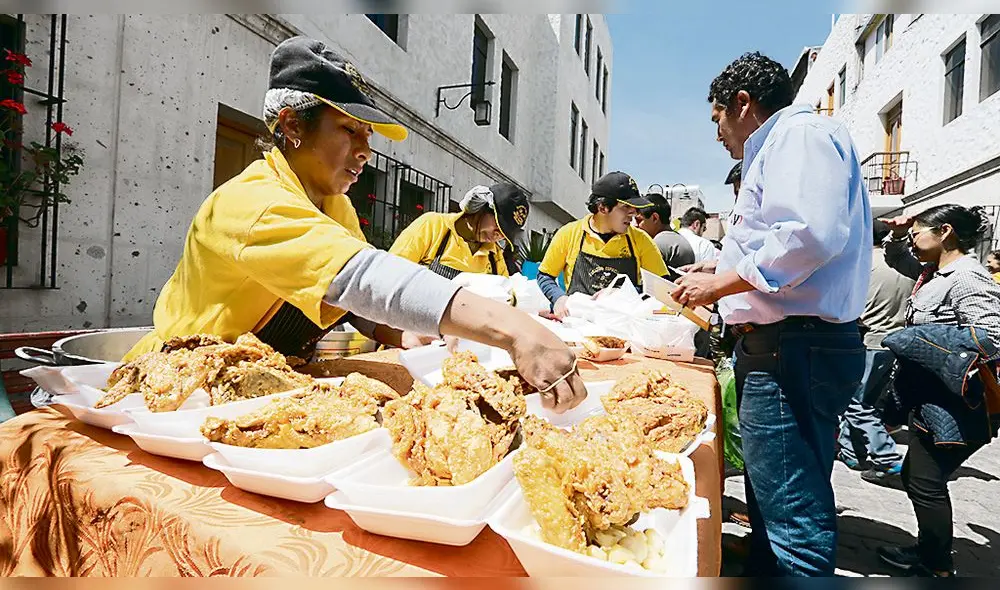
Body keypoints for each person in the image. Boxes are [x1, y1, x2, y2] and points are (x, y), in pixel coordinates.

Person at [123, 36, 586, 413]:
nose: (366, 150)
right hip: (179, 393)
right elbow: (363, 277)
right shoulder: (255, 204)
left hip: (260, 384)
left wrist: (400, 332)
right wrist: (517, 330)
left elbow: (351, 302)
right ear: (292, 125)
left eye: (368, 135)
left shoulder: (332, 203)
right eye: (349, 130)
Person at [672, 51, 871, 576]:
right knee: (780, 488)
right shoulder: (785, 146)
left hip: (791, 346)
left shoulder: (798, 137)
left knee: (793, 514)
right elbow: (774, 240)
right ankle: (766, 563)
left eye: (717, 118)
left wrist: (721, 284)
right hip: (789, 343)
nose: (717, 134)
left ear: (742, 104)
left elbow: (808, 236)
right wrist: (719, 269)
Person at [877, 204, 1000, 577]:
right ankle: (929, 551)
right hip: (927, 395)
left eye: (918, 233)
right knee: (918, 476)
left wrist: (920, 339)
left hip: (954, 400)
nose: (912, 240)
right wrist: (900, 233)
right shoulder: (933, 272)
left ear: (944, 232)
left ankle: (936, 566)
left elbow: (991, 336)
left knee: (925, 481)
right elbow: (898, 257)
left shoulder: (967, 277)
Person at [836, 219, 910, 483]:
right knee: (866, 400)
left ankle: (887, 456)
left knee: (853, 403)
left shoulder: (864, 263)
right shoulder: (907, 265)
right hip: (895, 341)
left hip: (869, 339)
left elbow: (848, 304)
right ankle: (852, 452)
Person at [537, 172, 669, 318]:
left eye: (635, 208)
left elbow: (663, 287)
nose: (633, 213)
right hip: (576, 324)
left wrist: (625, 291)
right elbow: (545, 275)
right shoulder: (569, 233)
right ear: (602, 207)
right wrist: (558, 299)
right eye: (626, 207)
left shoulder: (641, 240)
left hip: (621, 327)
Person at [389, 183, 528, 279]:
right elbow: (392, 272)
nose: (499, 235)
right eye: (498, 225)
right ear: (483, 207)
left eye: (505, 234)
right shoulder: (433, 226)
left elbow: (505, 299)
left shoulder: (494, 256)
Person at [635, 193, 695, 270]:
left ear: (654, 218)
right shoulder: (680, 239)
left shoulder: (657, 244)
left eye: (639, 220)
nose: (636, 225)